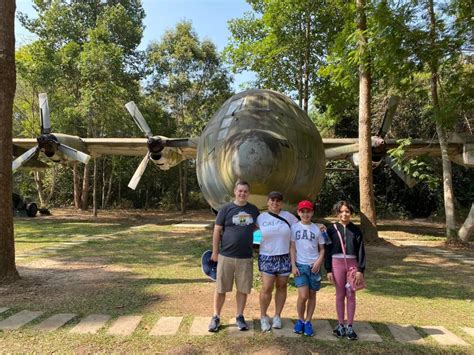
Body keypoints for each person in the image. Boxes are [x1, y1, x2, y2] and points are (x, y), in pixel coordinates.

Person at [208, 181, 260, 332]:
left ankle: (240, 316)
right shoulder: (225, 209)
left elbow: (257, 225)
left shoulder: (253, 210)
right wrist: (215, 252)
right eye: (240, 191)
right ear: (235, 192)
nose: (242, 193)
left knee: (243, 289)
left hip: (245, 257)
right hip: (226, 256)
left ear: (248, 193)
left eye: (245, 191)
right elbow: (217, 231)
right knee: (220, 288)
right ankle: (216, 316)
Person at [256, 191, 298, 332]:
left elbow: (302, 225)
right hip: (267, 256)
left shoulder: (289, 217)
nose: (275, 203)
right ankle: (263, 316)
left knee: (282, 287)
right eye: (272, 200)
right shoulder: (260, 218)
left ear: (282, 203)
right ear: (267, 202)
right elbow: (249, 231)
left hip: (284, 256)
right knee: (267, 287)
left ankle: (277, 316)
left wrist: (318, 226)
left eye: (278, 201)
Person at [325, 200, 366, 340]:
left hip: (352, 264)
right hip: (336, 264)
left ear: (351, 214)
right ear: (337, 213)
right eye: (341, 211)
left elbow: (361, 250)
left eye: (347, 211)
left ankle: (350, 326)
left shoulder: (356, 230)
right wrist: (328, 269)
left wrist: (360, 269)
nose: (344, 214)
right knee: (340, 294)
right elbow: (327, 250)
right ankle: (340, 324)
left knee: (351, 294)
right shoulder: (331, 229)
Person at [290, 200, 326, 337]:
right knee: (303, 295)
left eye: (308, 211)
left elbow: (322, 249)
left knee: (312, 295)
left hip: (314, 266)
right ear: (298, 212)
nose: (305, 214)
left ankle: (308, 321)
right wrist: (293, 265)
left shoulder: (318, 229)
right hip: (300, 265)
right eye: (302, 211)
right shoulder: (294, 227)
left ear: (312, 212)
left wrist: (318, 262)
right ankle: (300, 319)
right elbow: (292, 247)